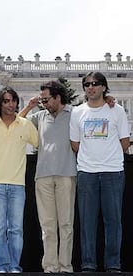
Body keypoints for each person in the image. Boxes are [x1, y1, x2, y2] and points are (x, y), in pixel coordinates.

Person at [70, 72, 130, 273]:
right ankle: (88, 264)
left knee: (113, 221)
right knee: (87, 222)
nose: (90, 87)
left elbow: (124, 142)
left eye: (95, 84)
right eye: (87, 84)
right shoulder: (77, 112)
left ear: (104, 87)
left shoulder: (117, 110)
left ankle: (113, 264)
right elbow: (75, 144)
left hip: (113, 172)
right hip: (87, 173)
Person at [19, 80, 76, 273]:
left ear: (58, 97)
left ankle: (65, 266)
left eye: (46, 99)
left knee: (66, 224)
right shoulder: (40, 116)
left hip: (67, 174)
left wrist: (108, 99)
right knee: (48, 226)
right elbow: (17, 124)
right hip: (42, 176)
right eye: (42, 100)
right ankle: (50, 267)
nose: (44, 103)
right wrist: (29, 106)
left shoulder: (74, 113)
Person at [0, 86, 38, 273]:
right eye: (6, 101)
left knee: (16, 230)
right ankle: (2, 267)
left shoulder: (25, 125)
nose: (10, 104)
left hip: (18, 185)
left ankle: (14, 266)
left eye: (12, 100)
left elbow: (39, 144)